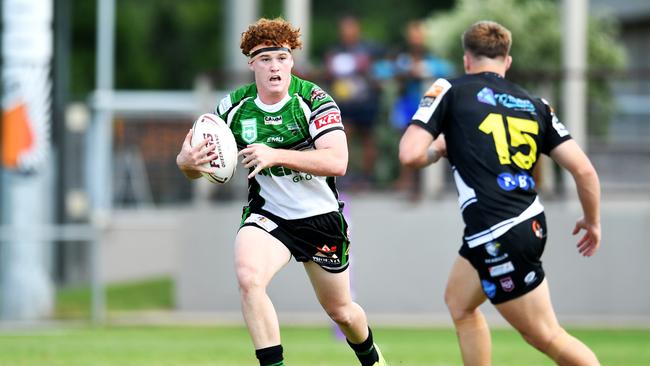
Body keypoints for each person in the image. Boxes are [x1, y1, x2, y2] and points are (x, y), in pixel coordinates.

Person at [176, 17, 387, 366]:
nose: (274, 66)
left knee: (342, 312)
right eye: (265, 58)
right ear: (251, 63)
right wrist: (187, 161)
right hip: (269, 216)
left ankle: (371, 357)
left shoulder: (314, 100)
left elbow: (338, 162)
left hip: (319, 218)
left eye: (282, 57)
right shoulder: (232, 108)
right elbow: (195, 170)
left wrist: (274, 154)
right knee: (249, 278)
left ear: (292, 61)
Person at [399, 20, 601, 365]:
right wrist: (592, 222)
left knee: (545, 335)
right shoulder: (535, 104)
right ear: (507, 62)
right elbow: (583, 170)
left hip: (498, 228)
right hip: (523, 220)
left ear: (466, 60)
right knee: (460, 303)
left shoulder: (449, 88)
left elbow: (409, 154)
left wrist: (438, 149)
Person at [391, 20, 453, 200]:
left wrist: (426, 70)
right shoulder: (403, 58)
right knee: (405, 141)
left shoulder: (433, 59)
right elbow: (392, 73)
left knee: (429, 142)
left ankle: (430, 184)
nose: (416, 40)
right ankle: (408, 182)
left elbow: (447, 70)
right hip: (408, 104)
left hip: (427, 107)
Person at [323, 15, 383, 188]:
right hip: (344, 103)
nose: (347, 32)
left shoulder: (369, 49)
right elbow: (328, 76)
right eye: (344, 28)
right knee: (342, 137)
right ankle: (342, 175)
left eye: (351, 28)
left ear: (357, 29)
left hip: (365, 101)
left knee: (367, 139)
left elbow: (379, 74)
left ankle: (366, 178)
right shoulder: (335, 50)